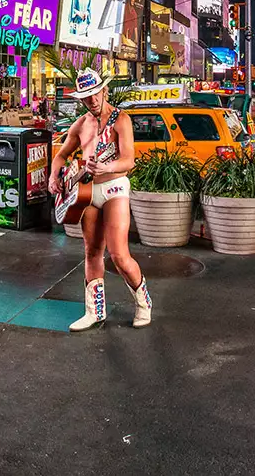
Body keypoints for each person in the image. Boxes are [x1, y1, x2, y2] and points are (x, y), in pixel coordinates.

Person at [48, 68, 152, 331]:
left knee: (118, 254)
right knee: (92, 252)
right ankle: (94, 312)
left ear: (104, 90)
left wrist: (107, 168)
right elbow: (61, 155)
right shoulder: (81, 124)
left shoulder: (121, 120)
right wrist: (53, 176)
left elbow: (129, 159)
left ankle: (143, 303)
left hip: (114, 187)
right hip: (87, 191)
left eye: (95, 93)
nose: (92, 100)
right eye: (86, 97)